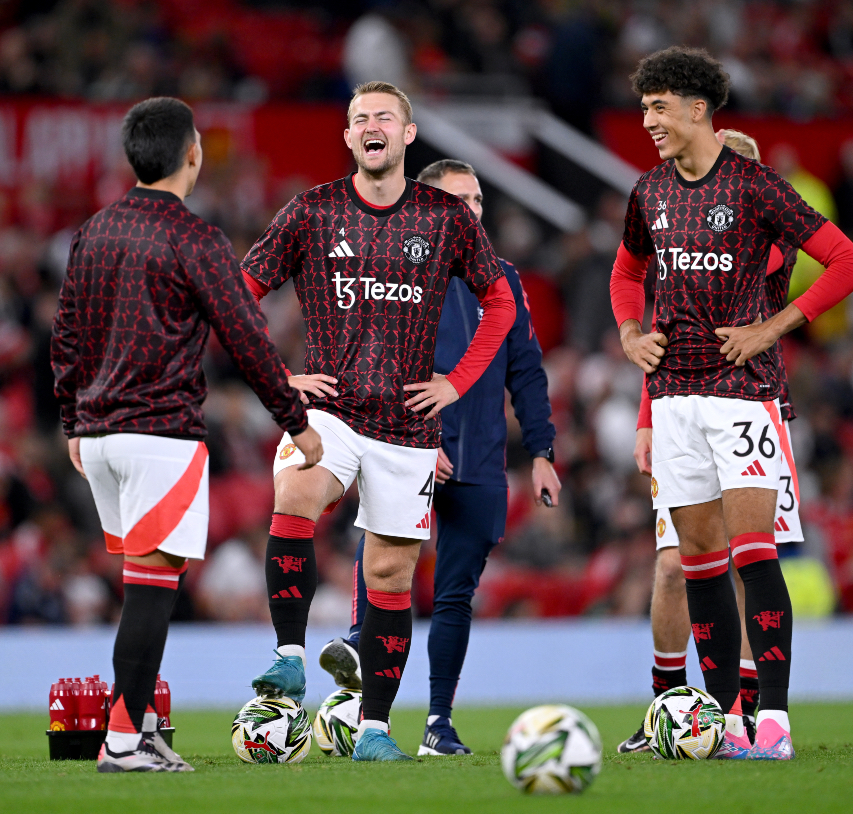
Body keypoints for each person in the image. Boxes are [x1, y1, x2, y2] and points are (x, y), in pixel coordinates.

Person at [240, 82, 516, 762]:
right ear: (348, 138)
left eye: (383, 117)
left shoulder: (446, 218)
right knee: (296, 493)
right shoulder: (313, 210)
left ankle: (374, 730)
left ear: (408, 134)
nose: (371, 126)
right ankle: (289, 656)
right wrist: (280, 377)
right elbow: (238, 290)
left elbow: (501, 303)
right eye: (359, 118)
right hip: (331, 409)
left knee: (391, 577)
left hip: (407, 426)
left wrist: (456, 382)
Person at [610, 48, 853, 760]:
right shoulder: (649, 192)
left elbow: (850, 262)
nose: (648, 120)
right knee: (696, 561)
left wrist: (772, 328)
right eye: (644, 107)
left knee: (754, 555)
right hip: (672, 399)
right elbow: (628, 269)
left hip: (742, 397)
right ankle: (724, 722)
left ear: (700, 109)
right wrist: (631, 333)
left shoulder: (755, 186)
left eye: (659, 107)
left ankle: (775, 721)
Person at [51, 97, 321, 773]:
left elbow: (65, 340)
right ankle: (121, 742)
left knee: (142, 581)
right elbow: (247, 339)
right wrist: (297, 421)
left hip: (101, 437)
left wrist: (70, 423)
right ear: (191, 154)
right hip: (160, 435)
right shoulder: (194, 239)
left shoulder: (92, 232)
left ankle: (136, 726)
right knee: (152, 587)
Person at [315, 159, 560, 756]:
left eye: (477, 199)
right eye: (459, 199)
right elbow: (372, 360)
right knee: (384, 558)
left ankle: (438, 723)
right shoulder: (397, 270)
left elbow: (525, 370)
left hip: (479, 462)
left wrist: (543, 450)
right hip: (410, 447)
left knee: (455, 598)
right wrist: (421, 438)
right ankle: (359, 665)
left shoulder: (503, 280)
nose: (472, 210)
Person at [617, 129, 806, 754]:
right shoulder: (671, 217)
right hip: (679, 405)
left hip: (752, 405)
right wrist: (647, 415)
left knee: (754, 560)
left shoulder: (769, 243)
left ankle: (757, 711)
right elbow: (670, 325)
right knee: (678, 564)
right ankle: (678, 707)